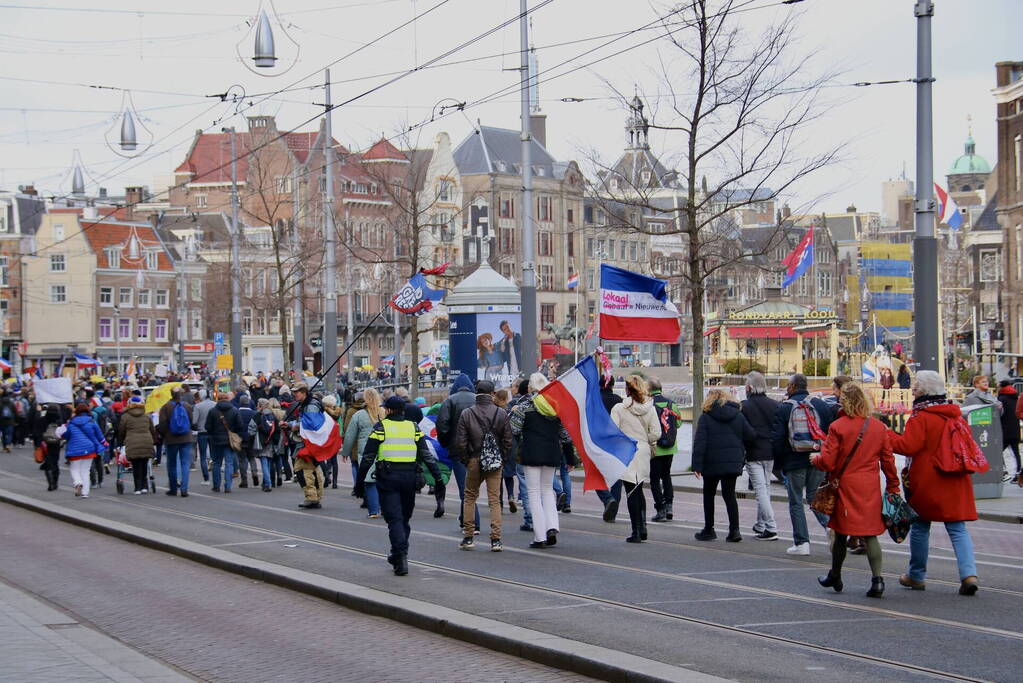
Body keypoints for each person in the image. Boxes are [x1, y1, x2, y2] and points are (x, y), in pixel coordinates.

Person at [889, 370, 980, 596]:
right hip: (956, 479)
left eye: (915, 388)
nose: (912, 391)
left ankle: (916, 576)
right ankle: (969, 575)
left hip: (928, 480)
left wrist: (886, 434)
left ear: (922, 392)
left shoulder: (920, 418)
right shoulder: (955, 415)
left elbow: (907, 447)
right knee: (958, 528)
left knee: (920, 526)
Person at [812, 382, 900, 597]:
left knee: (840, 532)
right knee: (870, 534)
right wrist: (893, 487)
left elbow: (829, 462)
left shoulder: (838, 426)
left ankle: (836, 574)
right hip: (869, 486)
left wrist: (816, 459)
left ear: (845, 401)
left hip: (845, 485)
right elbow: (888, 462)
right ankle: (877, 580)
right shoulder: (879, 428)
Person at [356, 396, 444, 576]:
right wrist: (438, 479)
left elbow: (367, 458)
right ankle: (398, 554)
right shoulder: (413, 427)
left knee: (394, 520)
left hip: (388, 479)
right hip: (410, 479)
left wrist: (359, 482)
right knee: (404, 519)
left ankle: (401, 556)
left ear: (388, 410)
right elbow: (426, 455)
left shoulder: (381, 427)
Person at [772, 373, 834, 555]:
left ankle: (802, 543)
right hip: (817, 458)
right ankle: (830, 525)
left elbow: (777, 439)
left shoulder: (784, 408)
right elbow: (830, 434)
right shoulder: (821, 405)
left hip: (794, 460)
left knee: (796, 500)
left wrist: (779, 463)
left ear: (792, 387)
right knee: (815, 496)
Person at [510, 373, 574, 548]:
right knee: (547, 491)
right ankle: (552, 526)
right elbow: (566, 436)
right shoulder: (555, 407)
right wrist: (571, 458)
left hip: (531, 453)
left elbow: (513, 430)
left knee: (534, 494)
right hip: (552, 453)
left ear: (530, 388)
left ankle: (539, 537)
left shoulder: (524, 406)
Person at [454, 380, 513, 551]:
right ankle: (496, 539)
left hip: (474, 459)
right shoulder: (501, 413)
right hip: (495, 461)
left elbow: (461, 441)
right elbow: (508, 440)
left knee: (470, 497)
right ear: (492, 394)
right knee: (494, 500)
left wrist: (466, 459)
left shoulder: (467, 413)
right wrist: (502, 458)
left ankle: (469, 536)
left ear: (476, 394)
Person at [692, 389, 754, 542]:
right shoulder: (737, 415)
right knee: (730, 495)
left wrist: (697, 466)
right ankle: (735, 530)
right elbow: (751, 435)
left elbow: (700, 443)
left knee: (709, 495)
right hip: (732, 462)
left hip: (711, 462)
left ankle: (709, 529)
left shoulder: (706, 417)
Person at [611, 375, 661, 543]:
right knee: (638, 489)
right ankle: (643, 526)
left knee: (630, 491)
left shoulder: (619, 408)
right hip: (644, 451)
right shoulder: (650, 408)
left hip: (627, 450)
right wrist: (643, 438)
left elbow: (613, 431)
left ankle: (636, 531)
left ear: (627, 389)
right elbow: (657, 433)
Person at [437, 373, 480, 533]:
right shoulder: (478, 399)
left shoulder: (450, 400)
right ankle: (467, 519)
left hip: (457, 449)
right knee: (474, 486)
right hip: (477, 449)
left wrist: (446, 443)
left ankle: (471, 522)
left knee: (465, 487)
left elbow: (442, 425)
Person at [741, 371, 780, 540]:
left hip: (753, 452)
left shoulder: (745, 406)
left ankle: (771, 527)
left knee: (760, 490)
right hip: (770, 451)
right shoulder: (775, 404)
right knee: (765, 488)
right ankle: (761, 524)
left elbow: (742, 431)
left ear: (749, 387)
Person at [341, 387, 385, 518]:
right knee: (383, 481)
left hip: (365, 451)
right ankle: (384, 508)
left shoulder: (359, 415)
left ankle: (373, 511)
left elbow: (350, 435)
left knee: (370, 481)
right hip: (384, 449)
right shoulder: (384, 413)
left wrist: (345, 452)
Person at [648, 377, 680, 523]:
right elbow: (678, 423)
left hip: (655, 448)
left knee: (654, 480)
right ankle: (669, 507)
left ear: (649, 389)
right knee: (666, 476)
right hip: (670, 448)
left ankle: (659, 509)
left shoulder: (649, 405)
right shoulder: (671, 404)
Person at [61, 403, 108, 498]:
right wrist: (105, 444)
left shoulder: (71, 423)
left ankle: (78, 483)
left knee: (74, 469)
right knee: (86, 471)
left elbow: (66, 435)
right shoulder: (92, 422)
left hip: (74, 450)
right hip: (89, 449)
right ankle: (85, 493)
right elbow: (100, 436)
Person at [596, 374, 624, 522]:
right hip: (615, 442)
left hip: (598, 442)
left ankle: (607, 499)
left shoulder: (595, 400)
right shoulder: (619, 401)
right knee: (617, 476)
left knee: (595, 473)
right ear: (613, 385)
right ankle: (613, 505)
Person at [157, 387, 194, 497]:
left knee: (172, 464)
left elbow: (162, 424)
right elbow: (191, 421)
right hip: (186, 438)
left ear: (171, 394)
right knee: (185, 464)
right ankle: (184, 489)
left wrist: (164, 435)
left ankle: (173, 488)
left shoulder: (166, 407)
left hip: (171, 438)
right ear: (181, 395)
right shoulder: (187, 406)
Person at [204, 392, 242, 493]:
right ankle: (228, 486)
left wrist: (213, 434)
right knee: (229, 463)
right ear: (228, 399)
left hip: (216, 440)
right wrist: (233, 432)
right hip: (229, 441)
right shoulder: (234, 410)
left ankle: (216, 485)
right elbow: (240, 425)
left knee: (216, 463)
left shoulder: (213, 411)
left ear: (218, 399)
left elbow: (207, 427)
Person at [118, 396, 157, 495]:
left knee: (136, 466)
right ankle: (144, 486)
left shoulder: (125, 417)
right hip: (146, 442)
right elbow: (152, 430)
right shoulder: (147, 416)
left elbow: (121, 432)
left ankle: (137, 487)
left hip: (132, 443)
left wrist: (120, 442)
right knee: (144, 464)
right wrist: (154, 441)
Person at [33, 403, 69, 491]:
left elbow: (36, 433)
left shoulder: (41, 420)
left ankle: (50, 483)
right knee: (55, 462)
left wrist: (37, 445)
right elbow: (63, 433)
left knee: (47, 463)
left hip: (44, 443)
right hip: (55, 443)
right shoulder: (59, 421)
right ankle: (55, 482)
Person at [248, 398, 279, 492]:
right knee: (268, 462)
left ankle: (268, 484)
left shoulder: (257, 415)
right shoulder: (272, 415)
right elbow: (277, 430)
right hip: (271, 441)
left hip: (261, 442)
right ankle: (265, 483)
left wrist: (251, 440)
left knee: (264, 463)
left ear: (260, 406)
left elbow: (251, 429)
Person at [998, 380, 1021, 485]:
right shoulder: (1015, 397)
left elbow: (999, 414)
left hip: (1005, 430)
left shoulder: (1001, 398)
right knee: (1016, 453)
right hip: (1015, 429)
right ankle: (1018, 473)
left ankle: (1002, 471)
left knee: (997, 452)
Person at [193, 389, 216, 485]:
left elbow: (194, 421)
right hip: (213, 432)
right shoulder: (215, 404)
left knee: (203, 456)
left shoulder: (198, 406)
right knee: (214, 456)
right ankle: (216, 478)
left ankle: (206, 478)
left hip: (202, 432)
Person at [235, 395, 259, 488]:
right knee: (252, 458)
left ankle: (244, 480)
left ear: (240, 402)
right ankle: (254, 473)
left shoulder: (237, 412)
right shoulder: (254, 413)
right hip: (251, 438)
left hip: (240, 438)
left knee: (242, 460)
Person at [321, 395, 343, 489]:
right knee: (334, 461)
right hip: (336, 438)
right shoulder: (338, 412)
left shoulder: (324, 412)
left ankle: (326, 479)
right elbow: (341, 426)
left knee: (327, 460)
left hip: (327, 437)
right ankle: (335, 482)